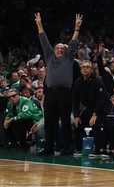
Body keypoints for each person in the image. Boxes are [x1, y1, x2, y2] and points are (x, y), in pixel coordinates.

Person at [35, 12, 82, 156]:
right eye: (58, 48)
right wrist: (39, 24)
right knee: (49, 122)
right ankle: (48, 148)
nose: (60, 49)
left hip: (65, 93)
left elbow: (73, 43)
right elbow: (43, 40)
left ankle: (67, 148)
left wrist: (77, 28)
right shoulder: (49, 56)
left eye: (63, 48)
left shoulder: (69, 58)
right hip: (50, 93)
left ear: (66, 51)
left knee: (66, 121)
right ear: (54, 50)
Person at [71, 61, 107, 156]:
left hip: (101, 108)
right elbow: (75, 100)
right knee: (78, 123)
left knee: (96, 123)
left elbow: (100, 99)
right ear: (80, 69)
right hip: (88, 108)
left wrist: (95, 114)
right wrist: (76, 116)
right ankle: (78, 148)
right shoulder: (78, 82)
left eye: (87, 67)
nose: (85, 69)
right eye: (83, 67)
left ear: (91, 70)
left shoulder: (98, 81)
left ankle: (97, 149)